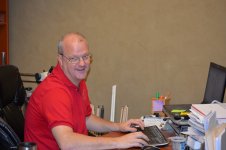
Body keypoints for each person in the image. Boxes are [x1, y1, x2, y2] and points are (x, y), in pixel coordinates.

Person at [24, 32, 149, 150]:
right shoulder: (54, 92)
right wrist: (118, 142)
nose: (82, 63)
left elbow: (86, 119)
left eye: (85, 56)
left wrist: (119, 126)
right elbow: (67, 143)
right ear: (60, 60)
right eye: (74, 58)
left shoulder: (77, 80)